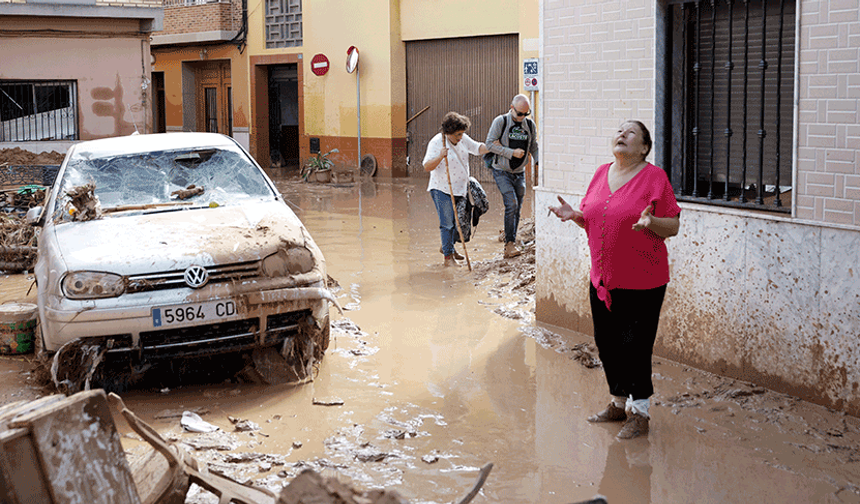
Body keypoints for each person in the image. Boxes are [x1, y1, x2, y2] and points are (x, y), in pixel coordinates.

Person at [548, 120, 681, 439]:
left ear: (644, 147)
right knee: (608, 344)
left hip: (644, 280)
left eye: (631, 133)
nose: (622, 135)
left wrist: (652, 222)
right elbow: (595, 220)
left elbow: (673, 227)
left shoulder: (654, 177)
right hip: (603, 278)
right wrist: (576, 217)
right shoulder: (600, 172)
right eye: (619, 131)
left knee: (635, 345)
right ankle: (618, 403)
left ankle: (641, 412)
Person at [423, 112, 491, 267]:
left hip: (461, 188)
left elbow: (476, 148)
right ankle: (448, 258)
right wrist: (440, 157)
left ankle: (448, 246)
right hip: (442, 189)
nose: (461, 137)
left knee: (460, 222)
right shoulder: (436, 143)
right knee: (447, 224)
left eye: (462, 134)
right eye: (457, 135)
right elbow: (427, 166)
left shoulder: (462, 138)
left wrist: (492, 147)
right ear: (448, 133)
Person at [485, 94, 539, 258]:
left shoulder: (529, 125)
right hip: (501, 170)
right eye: (519, 114)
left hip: (520, 172)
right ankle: (509, 245)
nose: (522, 117)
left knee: (517, 209)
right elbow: (489, 143)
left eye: (525, 114)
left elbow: (533, 146)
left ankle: (511, 240)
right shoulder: (500, 122)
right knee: (512, 203)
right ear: (511, 108)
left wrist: (539, 162)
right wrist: (510, 153)